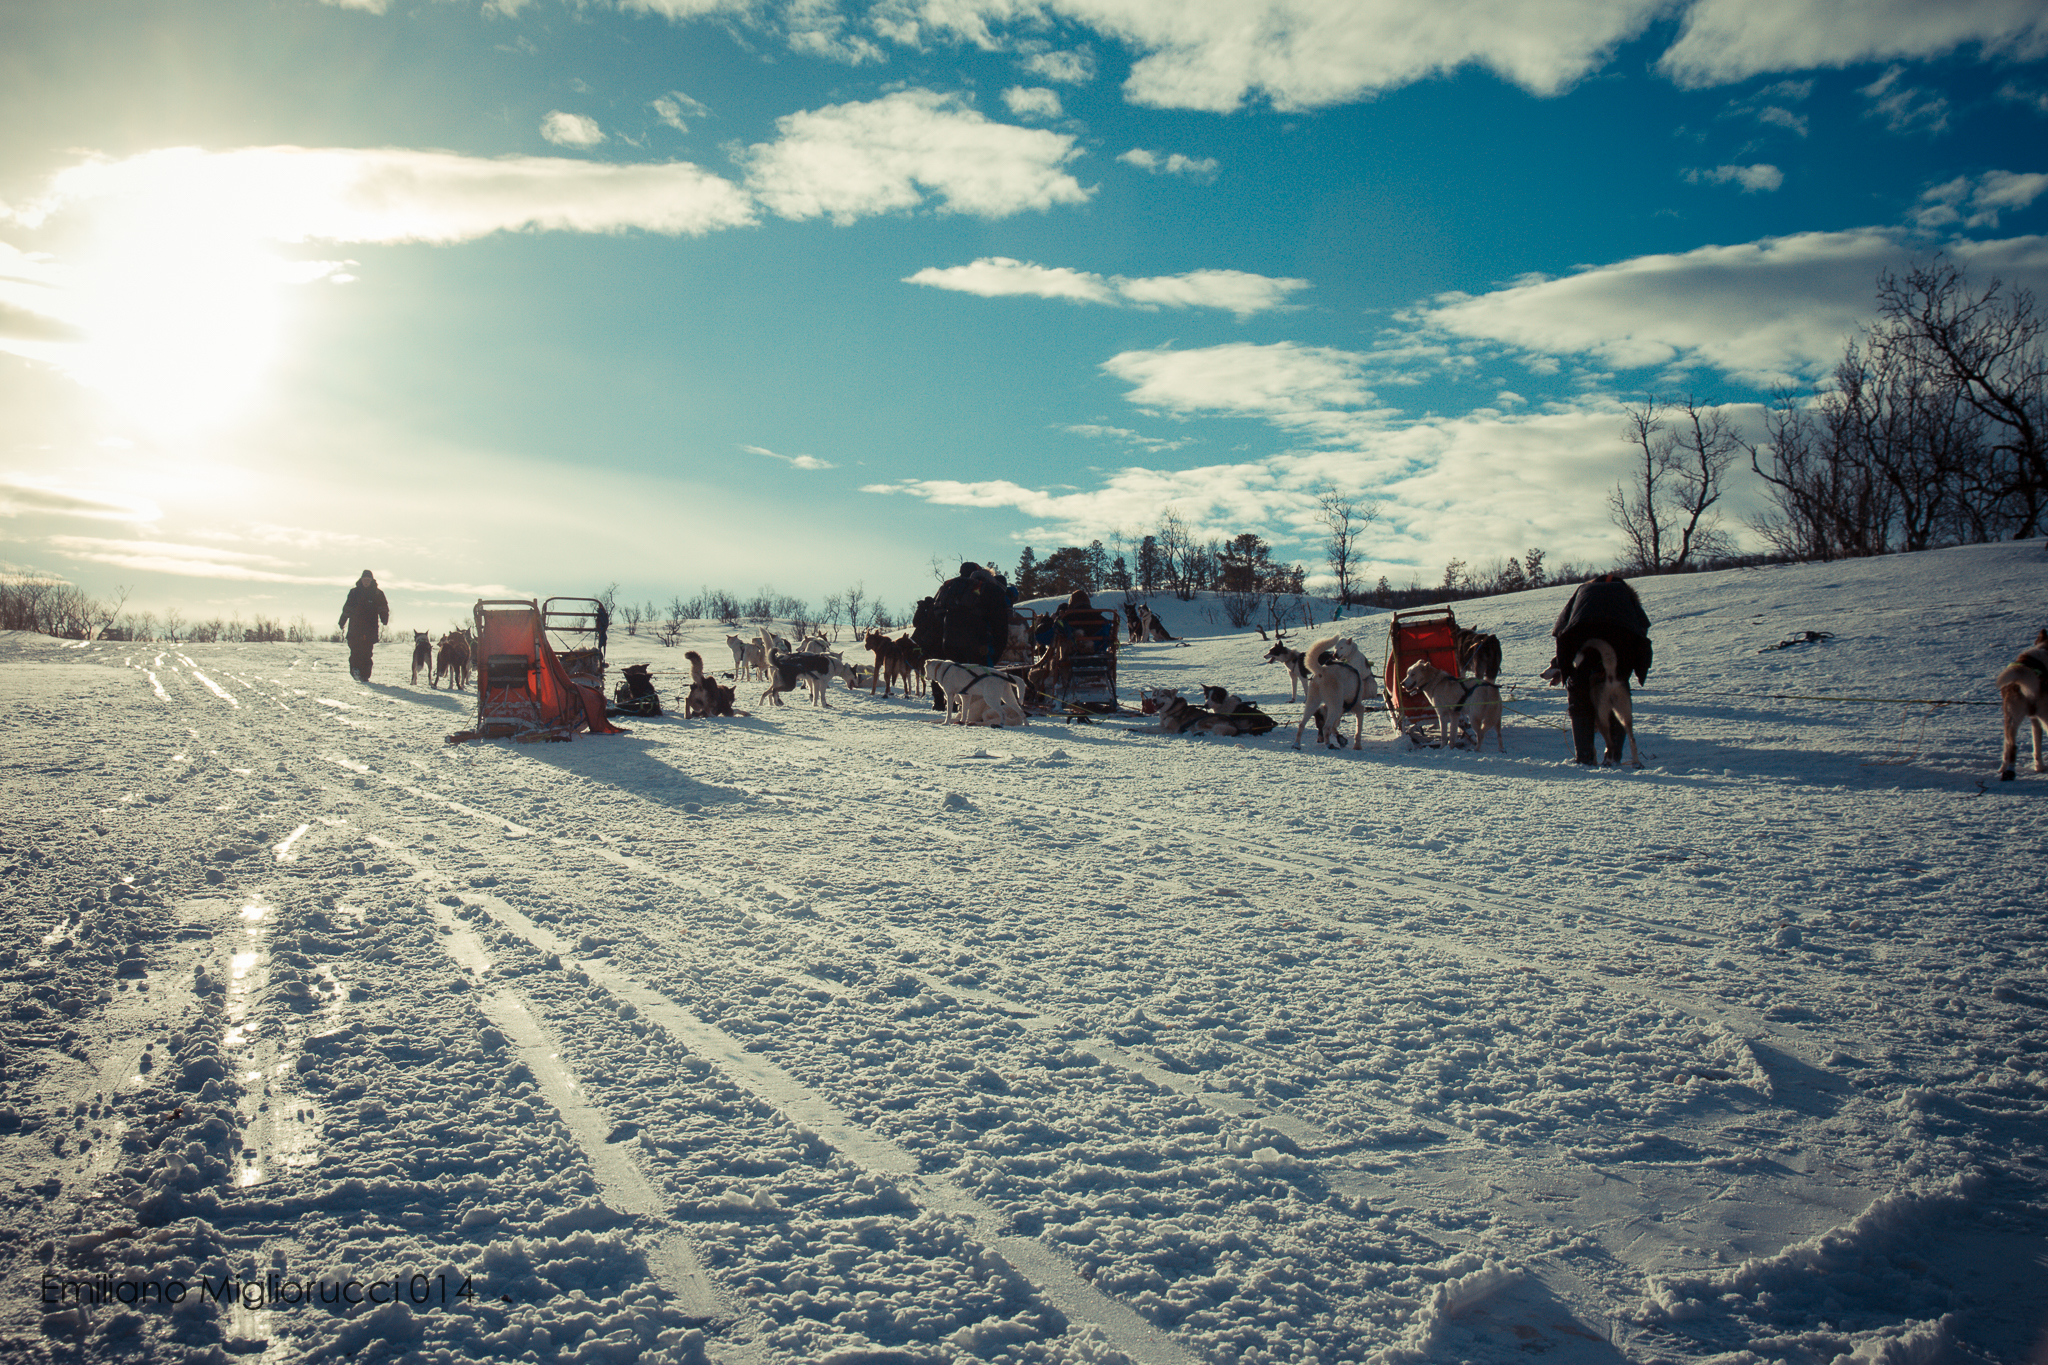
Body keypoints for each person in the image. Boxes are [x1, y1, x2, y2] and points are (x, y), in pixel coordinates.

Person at [1547, 572, 1651, 765]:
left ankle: (1584, 757)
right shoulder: (1626, 596)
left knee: (1579, 700)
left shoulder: (1582, 592)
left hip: (1586, 654)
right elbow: (1643, 629)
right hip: (1619, 656)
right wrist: (1635, 670)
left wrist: (1567, 669)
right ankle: (1612, 757)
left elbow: (1561, 629)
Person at [923, 563, 1009, 711]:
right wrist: (997, 650)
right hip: (977, 642)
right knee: (981, 676)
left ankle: (960, 708)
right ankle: (982, 711)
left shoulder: (952, 588)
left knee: (960, 675)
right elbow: (1000, 624)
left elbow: (935, 615)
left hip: (949, 641)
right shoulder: (991, 590)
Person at [338, 570, 390, 682]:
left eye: (368, 580)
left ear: (371, 580)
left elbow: (383, 607)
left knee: (367, 653)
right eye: (364, 580)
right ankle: (355, 670)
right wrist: (342, 621)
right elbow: (347, 608)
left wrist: (384, 618)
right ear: (361, 580)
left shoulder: (377, 594)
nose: (366, 582)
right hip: (355, 627)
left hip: (370, 628)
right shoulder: (354, 593)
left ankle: (365, 675)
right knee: (355, 651)